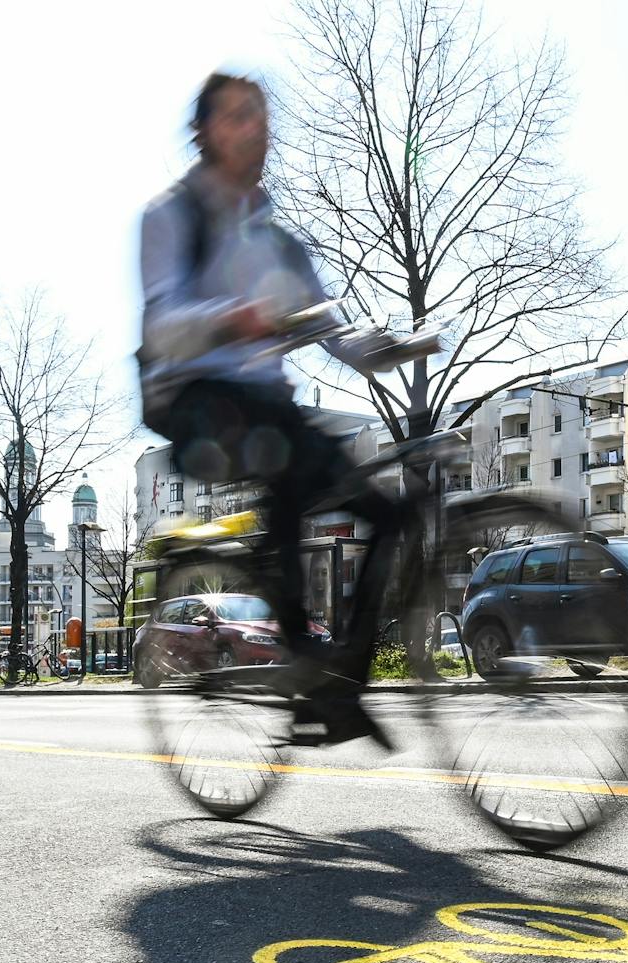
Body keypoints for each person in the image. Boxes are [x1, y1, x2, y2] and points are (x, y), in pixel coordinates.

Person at [138, 72, 395, 746]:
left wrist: (395, 345)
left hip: (269, 408)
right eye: (237, 117)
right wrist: (237, 317)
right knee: (284, 461)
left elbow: (335, 332)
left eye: (262, 117)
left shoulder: (279, 242)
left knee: (390, 514)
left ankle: (339, 684)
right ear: (203, 132)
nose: (256, 130)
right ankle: (310, 674)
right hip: (194, 401)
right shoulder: (173, 216)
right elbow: (162, 324)